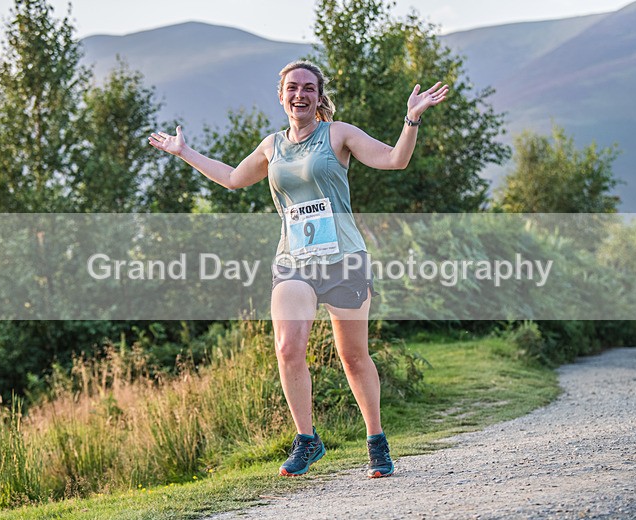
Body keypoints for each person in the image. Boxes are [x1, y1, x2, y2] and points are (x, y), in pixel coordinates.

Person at [148, 60, 448, 478]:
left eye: (308, 87)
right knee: (288, 348)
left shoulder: (338, 134)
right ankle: (307, 440)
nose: (300, 94)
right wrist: (184, 152)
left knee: (353, 356)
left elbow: (395, 160)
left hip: (344, 259)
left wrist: (411, 119)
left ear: (318, 96)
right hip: (295, 262)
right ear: (281, 95)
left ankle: (376, 441)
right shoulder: (271, 146)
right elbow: (233, 178)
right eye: (292, 87)